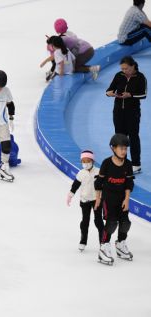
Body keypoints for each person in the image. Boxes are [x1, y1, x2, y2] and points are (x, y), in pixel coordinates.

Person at [95, 134, 134, 265]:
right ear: (113, 148)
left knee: (125, 223)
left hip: (122, 198)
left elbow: (129, 184)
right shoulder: (106, 163)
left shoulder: (128, 164)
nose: (124, 151)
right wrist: (97, 199)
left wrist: (127, 200)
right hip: (108, 198)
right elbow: (99, 183)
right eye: (121, 148)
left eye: (126, 149)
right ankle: (104, 247)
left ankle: (120, 244)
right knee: (111, 223)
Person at [106, 56, 147, 174]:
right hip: (118, 112)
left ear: (133, 66)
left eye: (126, 69)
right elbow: (109, 90)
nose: (124, 71)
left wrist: (131, 95)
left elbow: (143, 94)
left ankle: (136, 164)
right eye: (122, 69)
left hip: (132, 113)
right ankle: (120, 162)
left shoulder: (140, 77)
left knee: (133, 137)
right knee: (119, 138)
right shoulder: (119, 76)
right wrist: (110, 93)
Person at [66, 150, 104, 251]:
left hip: (97, 200)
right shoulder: (81, 173)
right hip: (85, 200)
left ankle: (103, 242)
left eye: (87, 161)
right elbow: (75, 185)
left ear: (92, 161)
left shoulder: (99, 172)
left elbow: (104, 185)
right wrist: (70, 195)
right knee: (85, 221)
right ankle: (83, 241)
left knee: (98, 221)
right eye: (83, 161)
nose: (85, 163)